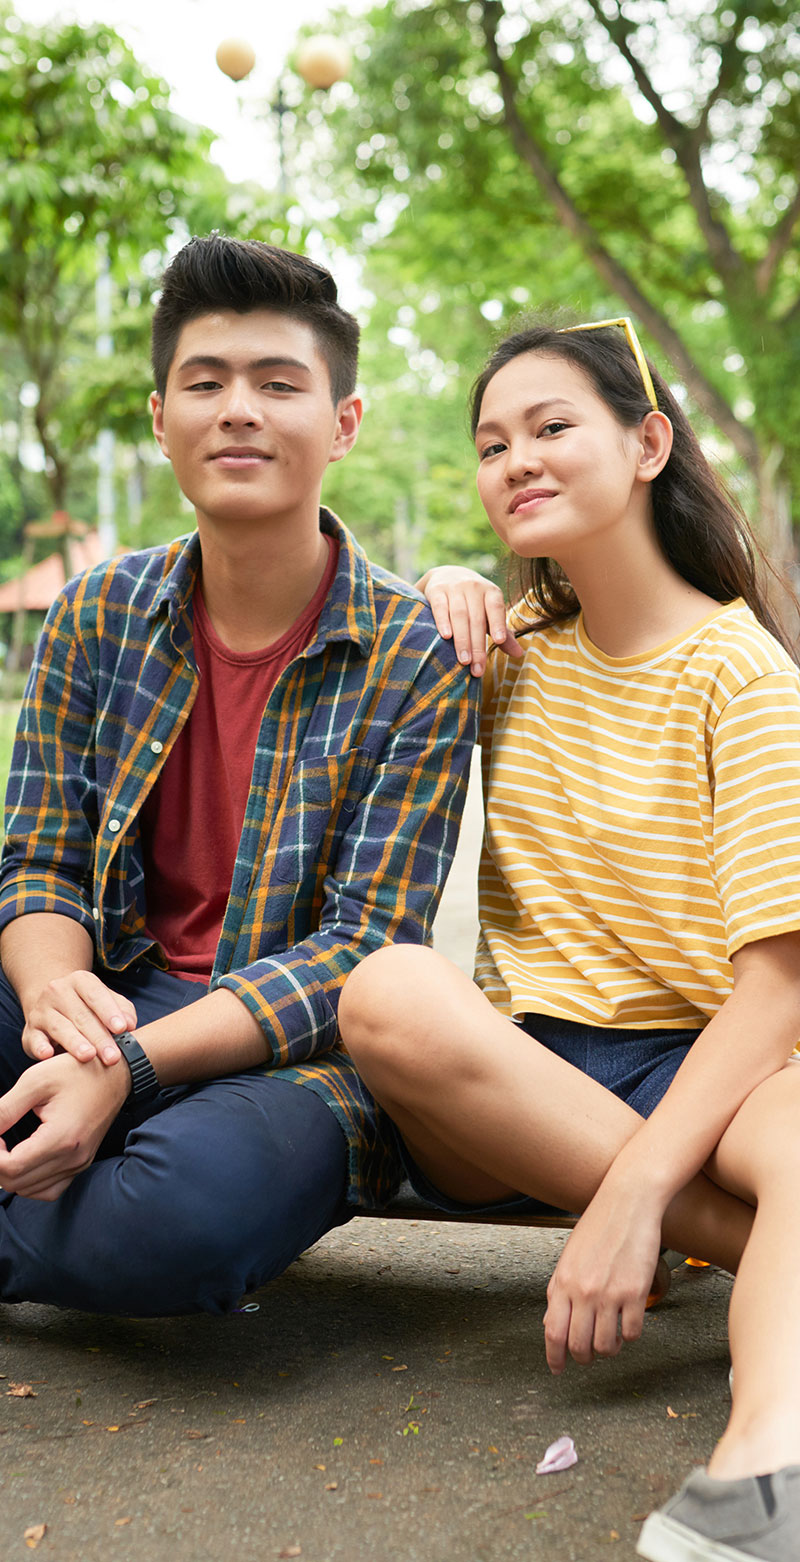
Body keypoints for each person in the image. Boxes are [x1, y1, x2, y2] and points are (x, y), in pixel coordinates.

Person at [337, 316, 800, 1562]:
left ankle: (762, 1470)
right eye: (491, 443)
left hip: (706, 1066)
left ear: (648, 442)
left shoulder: (738, 674)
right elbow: (358, 636)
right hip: (518, 1078)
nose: (514, 460)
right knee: (384, 988)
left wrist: (637, 1186)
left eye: (550, 427)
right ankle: (741, 1251)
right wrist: (441, 584)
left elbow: (772, 996)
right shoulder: (506, 649)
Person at [0, 234, 478, 1318]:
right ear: (161, 417)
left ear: (342, 423)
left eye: (278, 383)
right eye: (204, 382)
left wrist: (124, 1064)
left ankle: (108, 1174)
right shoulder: (97, 611)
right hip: (108, 988)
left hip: (294, 1054)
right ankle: (69, 1177)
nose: (238, 410)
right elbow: (36, 856)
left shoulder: (415, 654)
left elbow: (362, 952)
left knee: (189, 1213)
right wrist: (55, 995)